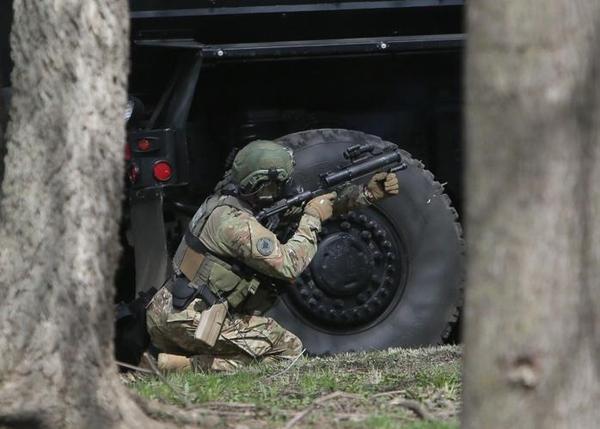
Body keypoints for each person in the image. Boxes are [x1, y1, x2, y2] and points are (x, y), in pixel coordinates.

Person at [146, 140, 399, 371]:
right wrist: (312, 218)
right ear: (262, 186)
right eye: (280, 182)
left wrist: (365, 194)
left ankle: (165, 359)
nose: (286, 186)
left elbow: (294, 209)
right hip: (190, 320)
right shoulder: (235, 225)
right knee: (286, 352)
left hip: (169, 311)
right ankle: (183, 367)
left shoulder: (225, 201)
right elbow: (289, 265)